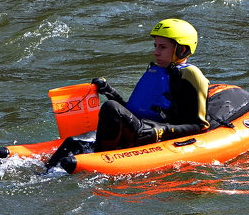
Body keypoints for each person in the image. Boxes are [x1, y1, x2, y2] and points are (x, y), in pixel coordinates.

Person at [43, 18, 210, 172]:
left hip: (154, 134)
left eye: (163, 47)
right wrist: (109, 91)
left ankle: (98, 158)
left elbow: (198, 125)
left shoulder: (191, 75)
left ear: (181, 50)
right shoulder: (155, 71)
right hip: (139, 128)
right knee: (72, 142)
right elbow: (132, 111)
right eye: (155, 46)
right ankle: (44, 176)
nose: (156, 52)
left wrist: (160, 130)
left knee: (111, 107)